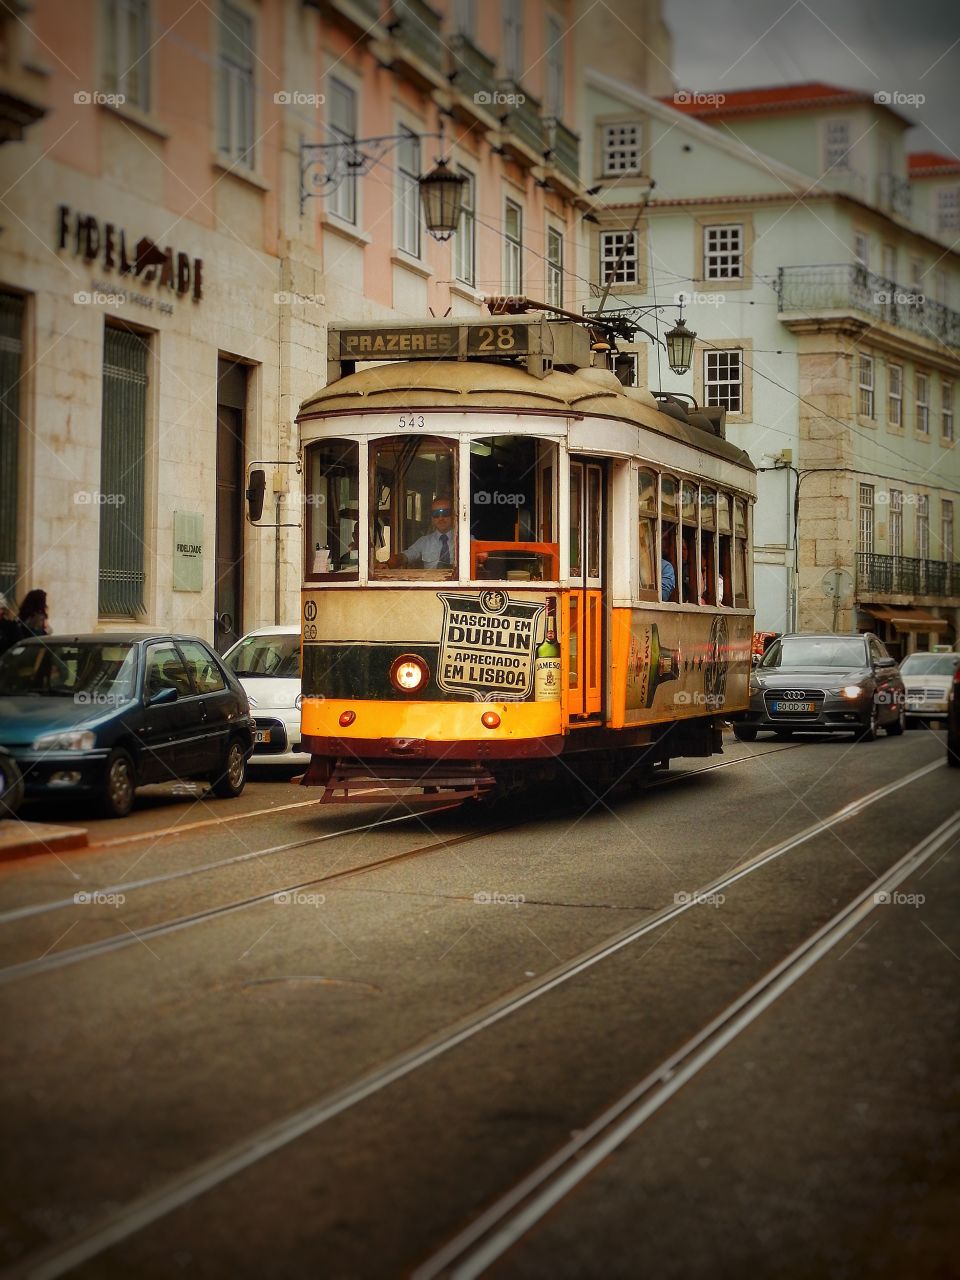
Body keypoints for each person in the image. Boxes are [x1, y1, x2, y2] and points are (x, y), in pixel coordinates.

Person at [389, 497, 455, 569]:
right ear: (432, 518)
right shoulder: (424, 542)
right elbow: (407, 555)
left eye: (445, 513)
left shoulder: (463, 541)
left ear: (454, 515)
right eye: (436, 514)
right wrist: (393, 562)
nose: (441, 518)